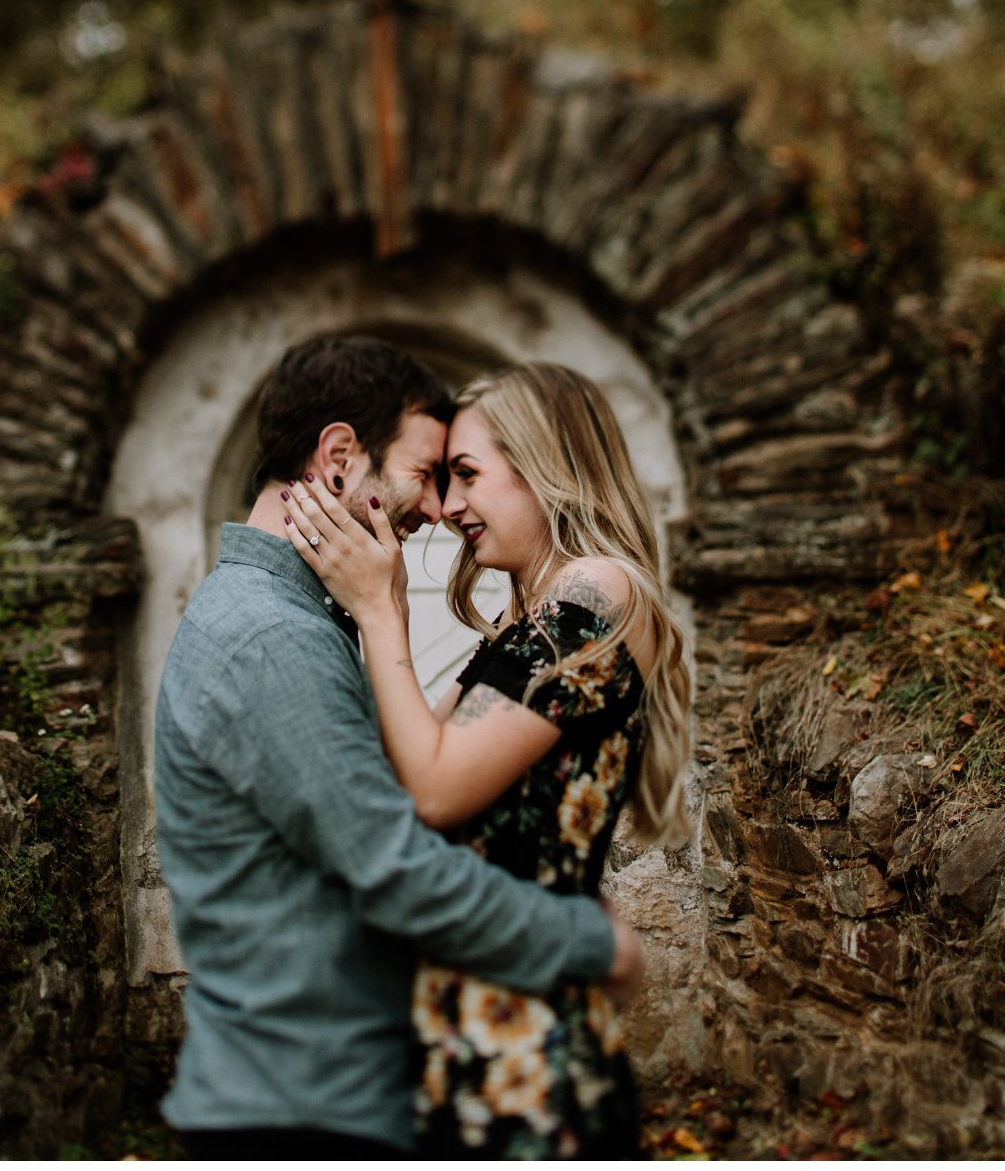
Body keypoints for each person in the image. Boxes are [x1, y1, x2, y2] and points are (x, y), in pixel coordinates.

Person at [153, 336, 646, 1160]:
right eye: (426, 472)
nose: (436, 509)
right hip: (303, 1111)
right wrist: (595, 943)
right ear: (340, 457)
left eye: (461, 477)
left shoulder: (296, 620)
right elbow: (395, 866)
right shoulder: (274, 637)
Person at [281, 361, 693, 1158]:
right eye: (441, 478)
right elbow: (401, 772)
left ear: (548, 467)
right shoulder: (525, 623)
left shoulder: (599, 594)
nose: (450, 507)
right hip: (470, 1042)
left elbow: (434, 792)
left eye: (467, 475)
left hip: (533, 1066)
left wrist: (377, 610)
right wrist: (385, 599)